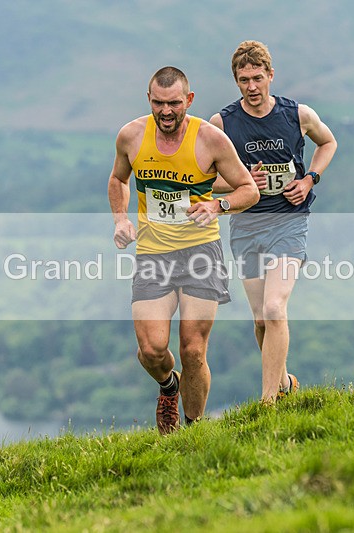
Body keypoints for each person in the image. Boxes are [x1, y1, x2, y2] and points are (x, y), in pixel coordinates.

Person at [108, 66, 259, 434]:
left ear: (188, 100)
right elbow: (118, 179)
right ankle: (167, 386)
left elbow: (248, 189)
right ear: (149, 100)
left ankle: (191, 431)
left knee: (193, 350)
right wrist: (120, 220)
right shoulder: (131, 136)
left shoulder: (210, 140)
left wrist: (217, 206)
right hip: (153, 255)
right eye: (159, 103)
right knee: (151, 350)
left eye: (174, 103)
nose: (166, 111)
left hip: (200, 253)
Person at [210, 41, 337, 404]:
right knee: (260, 320)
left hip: (289, 221)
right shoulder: (222, 124)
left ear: (271, 75)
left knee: (274, 307)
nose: (251, 87)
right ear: (236, 81)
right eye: (243, 80)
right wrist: (242, 182)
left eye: (257, 78)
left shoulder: (298, 115)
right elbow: (202, 176)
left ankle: (268, 402)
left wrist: (310, 177)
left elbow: (328, 143)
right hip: (246, 225)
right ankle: (284, 384)